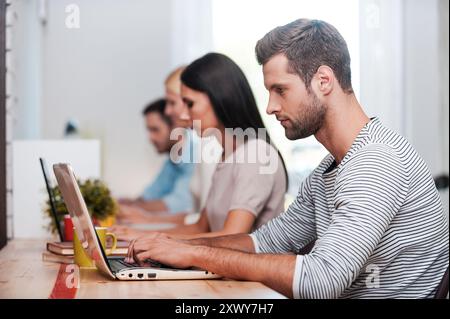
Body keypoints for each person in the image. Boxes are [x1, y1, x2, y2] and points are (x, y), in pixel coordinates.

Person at [126, 19, 449, 299]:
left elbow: (321, 280)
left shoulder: (376, 161)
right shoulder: (328, 170)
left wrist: (194, 252)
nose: (270, 106)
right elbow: (265, 241)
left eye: (280, 90)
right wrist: (173, 246)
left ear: (324, 81)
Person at [116, 53, 288, 241]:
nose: (183, 115)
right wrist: (139, 235)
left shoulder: (256, 154)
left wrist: (152, 240)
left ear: (218, 98)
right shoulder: (227, 156)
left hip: (252, 269)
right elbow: (200, 227)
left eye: (190, 104)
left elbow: (233, 237)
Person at [117, 98, 195, 222]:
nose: (150, 138)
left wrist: (130, 208)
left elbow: (181, 203)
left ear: (175, 126)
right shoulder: (173, 160)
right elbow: (150, 194)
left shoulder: (195, 153)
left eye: (155, 130)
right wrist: (119, 204)